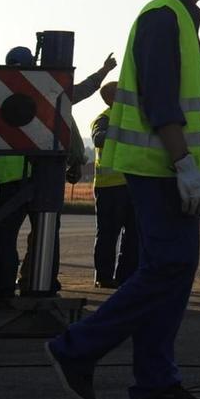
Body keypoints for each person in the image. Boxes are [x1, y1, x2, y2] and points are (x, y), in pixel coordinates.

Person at [46, 0, 200, 399]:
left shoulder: (180, 20)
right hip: (158, 169)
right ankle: (76, 348)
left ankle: (154, 382)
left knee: (170, 271)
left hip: (168, 167)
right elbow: (161, 101)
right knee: (168, 268)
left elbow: (182, 107)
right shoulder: (163, 19)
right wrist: (183, 164)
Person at [0, 47, 114, 306]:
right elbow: (83, 90)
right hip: (40, 176)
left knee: (3, 238)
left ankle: (2, 289)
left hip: (5, 179)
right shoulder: (48, 90)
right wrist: (104, 71)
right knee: (45, 233)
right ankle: (39, 284)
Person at [90, 104, 138, 289]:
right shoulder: (104, 118)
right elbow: (98, 138)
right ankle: (104, 276)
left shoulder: (132, 118)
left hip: (131, 185)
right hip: (109, 186)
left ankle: (126, 276)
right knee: (108, 234)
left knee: (133, 235)